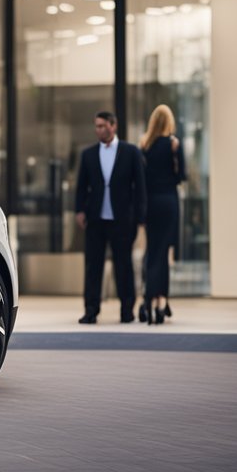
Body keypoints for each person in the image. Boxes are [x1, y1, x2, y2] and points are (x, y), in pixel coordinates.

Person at [74, 110, 147, 325]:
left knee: (123, 265)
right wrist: (79, 210)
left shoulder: (131, 152)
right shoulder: (88, 154)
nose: (98, 130)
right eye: (96, 126)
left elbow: (140, 187)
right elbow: (81, 187)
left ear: (113, 126)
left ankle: (127, 310)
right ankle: (91, 310)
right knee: (93, 266)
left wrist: (140, 217)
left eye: (102, 126)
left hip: (122, 219)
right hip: (95, 219)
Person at [139, 104, 186, 325]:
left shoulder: (144, 145)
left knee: (153, 251)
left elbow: (141, 178)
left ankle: (149, 299)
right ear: (169, 122)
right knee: (163, 253)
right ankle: (160, 301)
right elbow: (181, 176)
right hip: (168, 202)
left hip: (150, 203)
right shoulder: (174, 144)